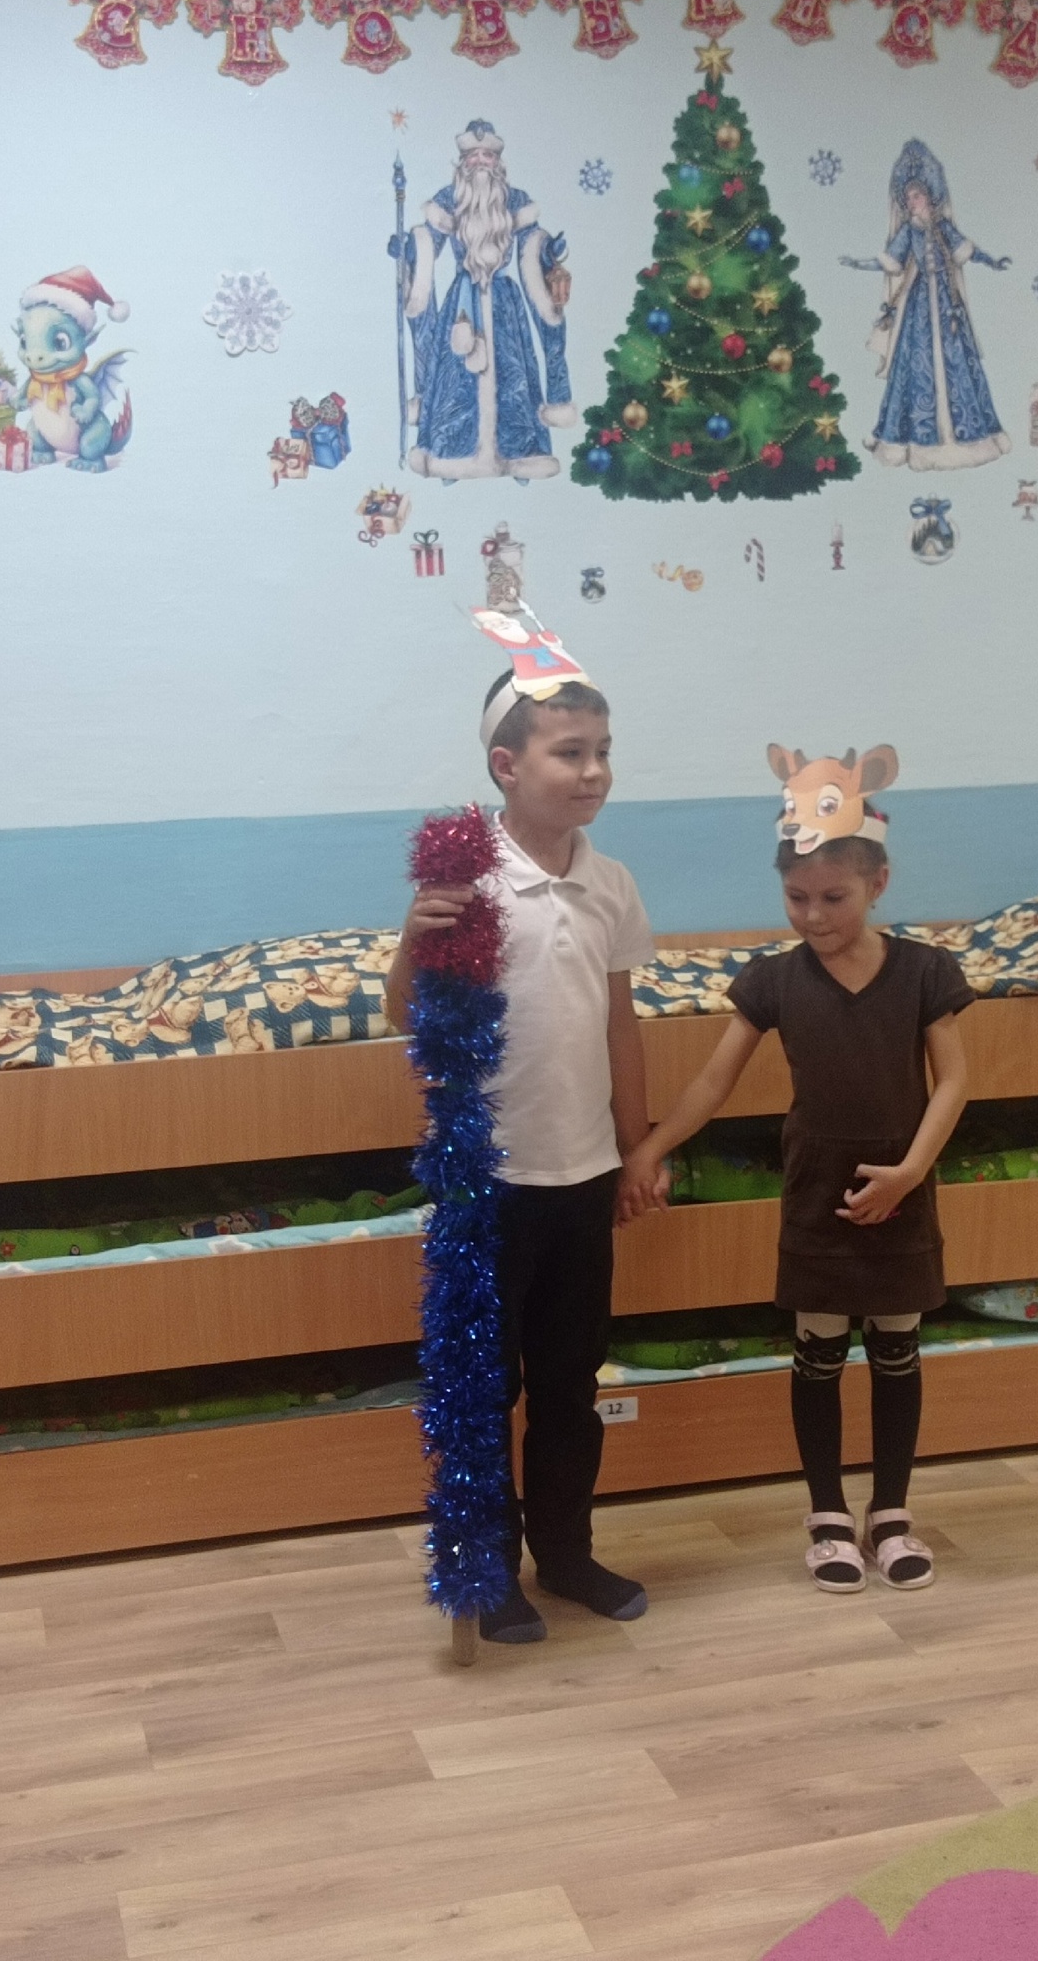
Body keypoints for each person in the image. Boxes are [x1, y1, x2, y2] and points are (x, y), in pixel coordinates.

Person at [619, 774, 971, 1595]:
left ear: (877, 884)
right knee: (818, 1350)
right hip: (818, 1191)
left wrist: (909, 1173)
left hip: (899, 1188)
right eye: (796, 898)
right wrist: (649, 1149)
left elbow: (952, 1081)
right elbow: (712, 1083)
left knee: (895, 1348)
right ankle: (826, 1516)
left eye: (833, 898)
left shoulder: (924, 972)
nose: (813, 916)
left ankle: (890, 1514)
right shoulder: (773, 982)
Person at [384, 658, 654, 1643]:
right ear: (507, 765)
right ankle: (490, 1570)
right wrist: (411, 940)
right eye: (569, 753)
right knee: (487, 1387)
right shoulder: (469, 882)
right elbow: (405, 1016)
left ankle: (567, 1553)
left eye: (602, 752)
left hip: (582, 1174)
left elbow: (620, 1026)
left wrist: (636, 1148)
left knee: (570, 1387)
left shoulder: (609, 884)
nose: (593, 771)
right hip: (492, 1183)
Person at [392, 119, 574, 481]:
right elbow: (428, 244)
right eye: (473, 155)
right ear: (463, 162)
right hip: (461, 304)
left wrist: (550, 253)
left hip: (505, 304)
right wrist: (408, 250)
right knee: (454, 379)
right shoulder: (449, 199)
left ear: (497, 161)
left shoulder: (514, 200)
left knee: (514, 375)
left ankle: (519, 460)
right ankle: (449, 460)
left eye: (487, 155)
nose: (480, 162)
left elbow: (533, 244)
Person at [841, 137, 1011, 472]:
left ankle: (968, 440)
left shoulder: (944, 227)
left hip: (948, 305)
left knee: (958, 364)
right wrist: (857, 263)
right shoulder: (908, 231)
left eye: (915, 196)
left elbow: (967, 251)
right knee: (915, 367)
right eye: (907, 198)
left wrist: (993, 261)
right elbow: (890, 261)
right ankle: (912, 443)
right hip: (918, 307)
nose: (911, 203)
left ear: (929, 196)